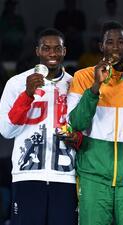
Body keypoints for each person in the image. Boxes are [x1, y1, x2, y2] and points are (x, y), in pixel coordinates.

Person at [67, 21, 123, 225]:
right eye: (110, 42)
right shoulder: (83, 77)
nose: (115, 47)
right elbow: (76, 123)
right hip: (93, 176)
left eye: (120, 42)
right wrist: (96, 86)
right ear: (101, 46)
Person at [0, 28, 78, 225]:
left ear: (65, 51)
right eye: (46, 48)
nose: (52, 53)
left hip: (66, 177)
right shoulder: (16, 83)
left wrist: (76, 138)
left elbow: (84, 130)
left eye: (57, 48)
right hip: (27, 174)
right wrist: (27, 94)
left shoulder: (76, 85)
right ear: (37, 51)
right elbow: (7, 131)